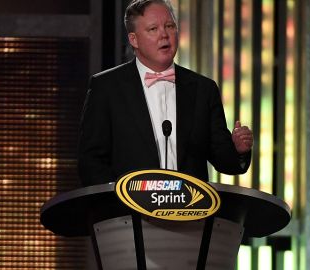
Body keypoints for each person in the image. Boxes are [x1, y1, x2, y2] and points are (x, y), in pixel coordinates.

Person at [78, 0, 253, 186]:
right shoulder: (106, 87)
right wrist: (120, 203)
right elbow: (91, 162)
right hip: (129, 212)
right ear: (133, 39)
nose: (164, 35)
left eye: (169, 26)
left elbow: (225, 161)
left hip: (189, 210)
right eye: (153, 29)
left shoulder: (204, 89)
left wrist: (239, 150)